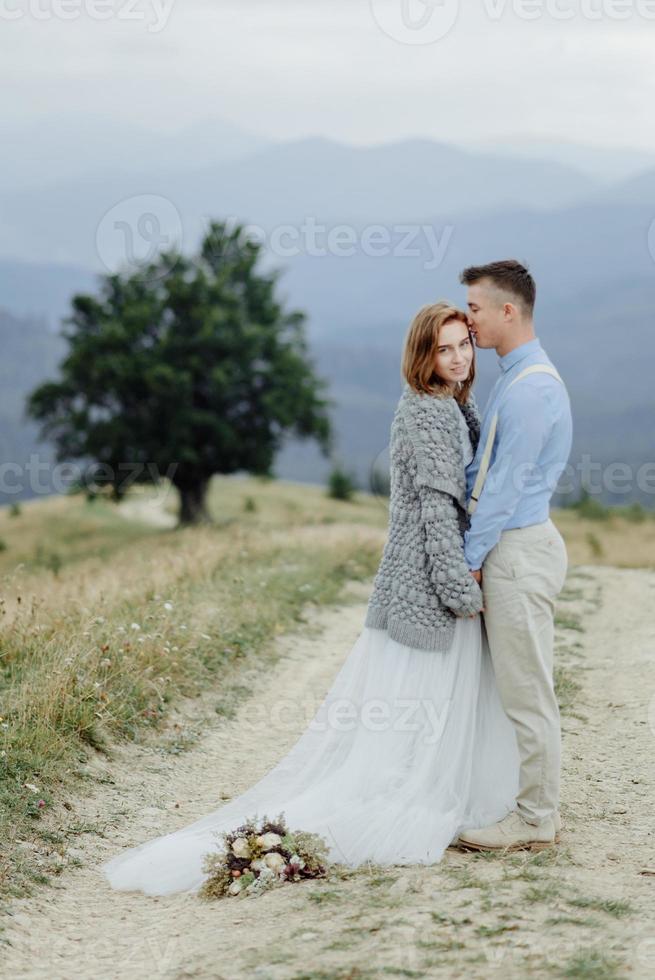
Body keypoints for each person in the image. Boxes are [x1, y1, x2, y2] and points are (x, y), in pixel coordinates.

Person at [101, 301, 520, 898]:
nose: (456, 358)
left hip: (437, 583)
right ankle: (404, 799)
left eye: (463, 345)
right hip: (427, 589)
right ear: (421, 356)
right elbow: (433, 514)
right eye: (442, 349)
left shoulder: (455, 404)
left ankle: (442, 789)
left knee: (433, 709)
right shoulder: (428, 414)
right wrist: (462, 590)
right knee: (418, 708)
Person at [455, 259, 573, 853]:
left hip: (517, 551)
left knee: (528, 690)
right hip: (518, 546)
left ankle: (536, 817)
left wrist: (471, 559)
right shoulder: (518, 376)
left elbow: (501, 487)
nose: (468, 319)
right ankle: (529, 803)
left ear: (508, 310)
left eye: (474, 308)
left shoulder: (532, 389)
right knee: (520, 685)